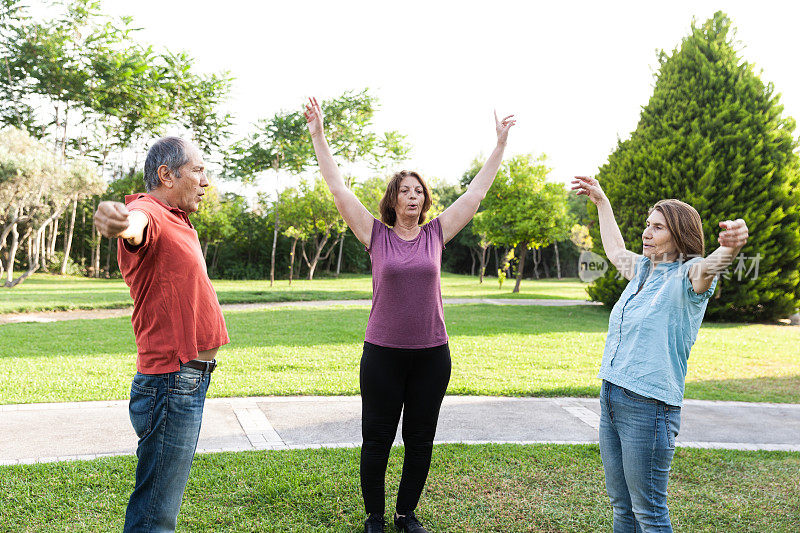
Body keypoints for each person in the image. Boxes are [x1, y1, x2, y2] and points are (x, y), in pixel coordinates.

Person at [305, 97, 515, 533]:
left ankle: (406, 514)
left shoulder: (437, 233)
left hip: (431, 354)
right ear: (393, 198)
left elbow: (475, 193)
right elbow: (339, 189)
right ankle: (376, 517)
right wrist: (318, 134)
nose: (414, 195)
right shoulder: (375, 235)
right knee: (377, 440)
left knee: (420, 440)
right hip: (382, 353)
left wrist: (499, 144)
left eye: (419, 190)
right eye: (406, 190)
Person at [571, 176, 749, 533]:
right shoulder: (641, 270)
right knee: (622, 508)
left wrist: (729, 248)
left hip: (649, 407)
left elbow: (708, 267)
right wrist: (602, 202)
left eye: (657, 227)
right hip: (612, 395)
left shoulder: (688, 277)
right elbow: (614, 248)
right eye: (647, 225)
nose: (647, 233)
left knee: (649, 512)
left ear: (679, 235)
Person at [93, 137, 229, 533]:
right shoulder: (147, 210)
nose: (205, 181)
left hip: (186, 379)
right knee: (156, 513)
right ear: (166, 175)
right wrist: (117, 219)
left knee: (160, 502)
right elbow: (133, 225)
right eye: (198, 170)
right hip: (172, 380)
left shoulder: (177, 217)